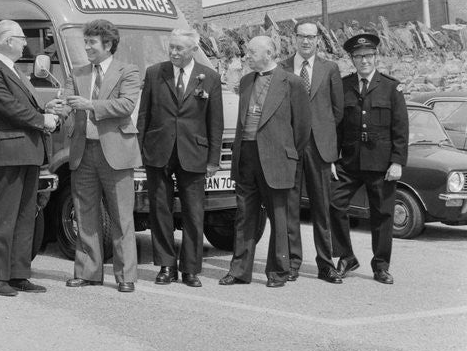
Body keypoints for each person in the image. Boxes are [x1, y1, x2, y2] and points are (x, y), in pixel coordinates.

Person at [0, 20, 59, 297]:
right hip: (7, 153)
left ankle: (19, 273)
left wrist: (46, 108)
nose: (25, 44)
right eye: (21, 39)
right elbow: (9, 108)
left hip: (27, 151)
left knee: (24, 216)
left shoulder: (14, 70)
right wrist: (43, 119)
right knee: (3, 217)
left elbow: (21, 106)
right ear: (7, 41)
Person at [136, 28, 224, 288]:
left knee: (194, 213)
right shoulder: (154, 73)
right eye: (171, 47)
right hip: (158, 151)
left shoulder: (209, 77)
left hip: (194, 153)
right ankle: (165, 265)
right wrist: (139, 152)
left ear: (193, 50)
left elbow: (215, 122)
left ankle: (190, 269)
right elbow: (144, 115)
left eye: (179, 48)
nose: (173, 52)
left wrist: (213, 160)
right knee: (160, 210)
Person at [221, 35, 310, 288]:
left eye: (251, 52)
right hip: (246, 157)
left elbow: (302, 129)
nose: (246, 56)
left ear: (269, 53)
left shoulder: (291, 82)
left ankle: (278, 272)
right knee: (244, 216)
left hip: (276, 159)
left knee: (279, 218)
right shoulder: (247, 81)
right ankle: (239, 271)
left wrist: (283, 152)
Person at [62, 19, 142, 292]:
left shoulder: (128, 71)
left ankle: (126, 276)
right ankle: (87, 272)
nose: (86, 47)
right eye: (85, 42)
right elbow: (68, 102)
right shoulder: (78, 73)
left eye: (91, 42)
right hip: (83, 152)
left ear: (108, 45)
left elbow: (126, 104)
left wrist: (90, 105)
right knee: (84, 214)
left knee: (122, 217)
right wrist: (59, 107)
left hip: (117, 152)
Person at [328, 32, 409, 285]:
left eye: (368, 56)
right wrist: (332, 158)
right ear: (352, 59)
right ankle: (346, 257)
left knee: (382, 215)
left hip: (381, 164)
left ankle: (381, 266)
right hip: (350, 163)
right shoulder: (343, 86)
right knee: (334, 202)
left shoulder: (391, 87)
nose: (364, 61)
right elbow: (337, 126)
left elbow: (400, 128)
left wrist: (397, 162)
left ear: (376, 56)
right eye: (358, 56)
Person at [280, 22, 345, 283]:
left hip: (319, 148)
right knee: (291, 207)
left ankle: (325, 264)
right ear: (294, 39)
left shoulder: (330, 68)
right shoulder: (283, 68)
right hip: (291, 146)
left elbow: (338, 111)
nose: (306, 41)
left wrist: (330, 146)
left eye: (311, 37)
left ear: (318, 40)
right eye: (301, 37)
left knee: (322, 207)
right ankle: (293, 262)